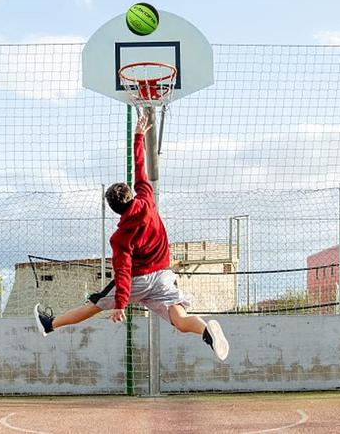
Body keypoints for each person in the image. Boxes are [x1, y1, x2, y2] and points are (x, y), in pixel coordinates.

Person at [34, 112, 229, 361]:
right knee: (178, 318)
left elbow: (123, 272)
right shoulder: (147, 199)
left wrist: (120, 305)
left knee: (94, 304)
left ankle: (49, 324)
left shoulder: (120, 237)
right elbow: (140, 168)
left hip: (138, 281)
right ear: (130, 194)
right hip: (163, 276)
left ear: (114, 208)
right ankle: (205, 332)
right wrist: (139, 135)